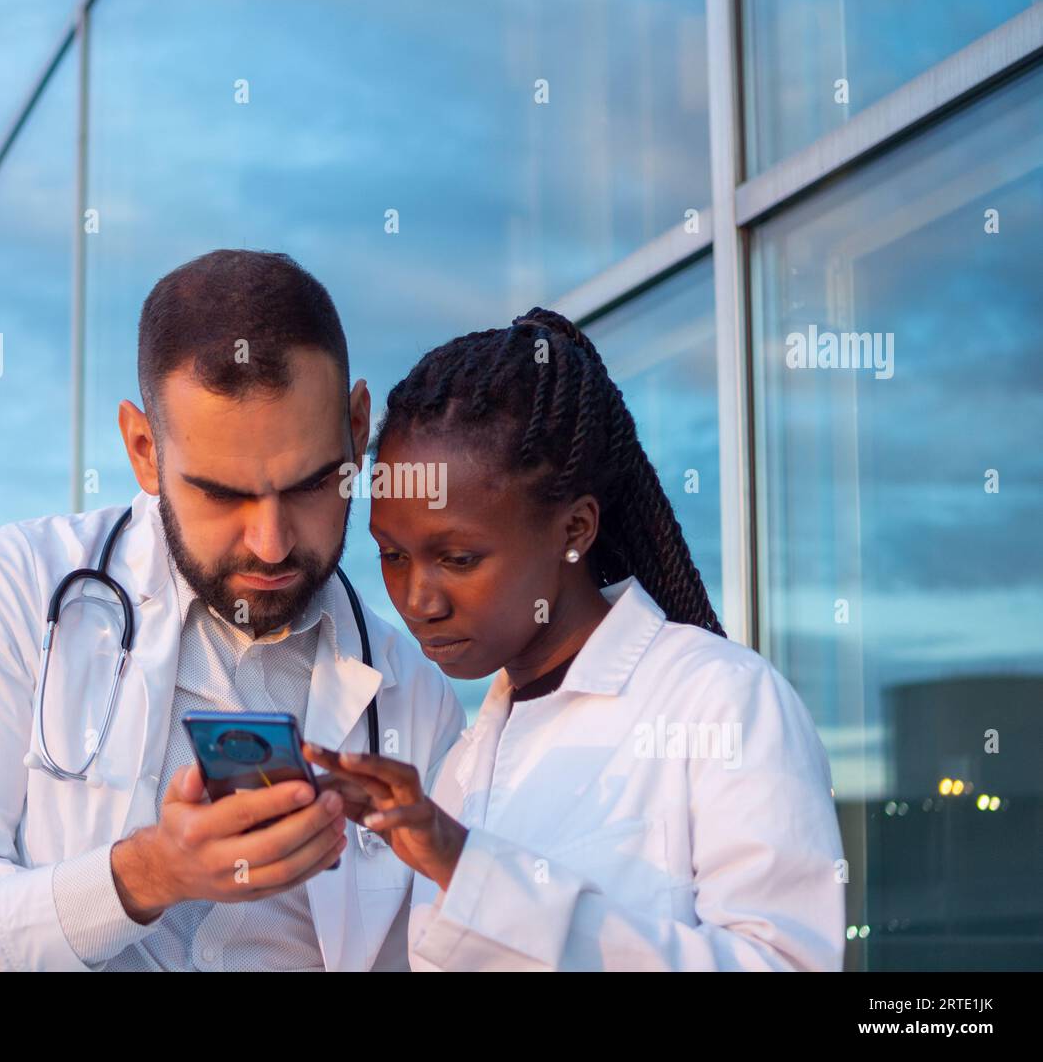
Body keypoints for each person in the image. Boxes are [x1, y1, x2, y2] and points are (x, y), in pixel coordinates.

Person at [0, 250, 465, 971]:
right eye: (223, 494)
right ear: (143, 449)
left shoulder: (420, 701)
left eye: (312, 485)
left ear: (357, 427)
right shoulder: (12, 594)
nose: (272, 541)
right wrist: (144, 876)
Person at [305, 307, 845, 971]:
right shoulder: (459, 770)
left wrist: (469, 867)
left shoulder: (723, 702)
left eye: (460, 558)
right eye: (392, 554)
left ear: (575, 529)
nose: (420, 599)